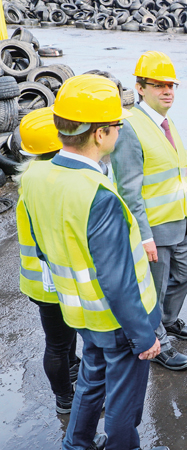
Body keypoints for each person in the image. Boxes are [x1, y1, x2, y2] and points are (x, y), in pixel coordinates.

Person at [20, 74, 167, 450]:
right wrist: (143, 335)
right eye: (117, 124)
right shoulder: (98, 194)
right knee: (124, 407)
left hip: (79, 312)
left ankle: (78, 443)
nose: (120, 130)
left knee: (90, 381)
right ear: (100, 134)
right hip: (118, 320)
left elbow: (39, 245)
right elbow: (118, 279)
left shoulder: (37, 178)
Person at [111, 51, 187, 372]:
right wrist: (144, 235)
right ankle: (159, 340)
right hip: (156, 229)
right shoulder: (131, 128)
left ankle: (169, 320)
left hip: (183, 219)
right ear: (140, 87)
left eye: (171, 86)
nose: (167, 91)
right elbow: (128, 189)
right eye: (159, 85)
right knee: (154, 292)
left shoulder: (165, 120)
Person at [16, 107, 81, 416]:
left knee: (61, 338)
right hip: (51, 279)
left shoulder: (31, 175)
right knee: (57, 342)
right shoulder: (53, 179)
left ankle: (71, 367)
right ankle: (65, 399)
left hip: (37, 278)